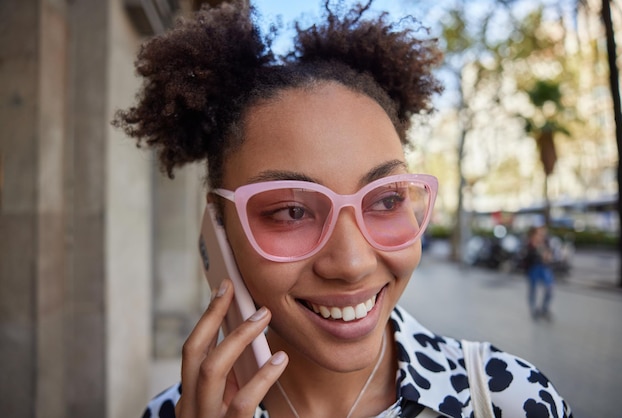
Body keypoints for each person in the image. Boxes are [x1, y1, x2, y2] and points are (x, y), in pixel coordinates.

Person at [115, 1, 573, 417]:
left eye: (386, 199)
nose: (352, 264)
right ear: (217, 226)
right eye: (291, 211)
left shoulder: (509, 399)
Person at [524, 225, 555, 320]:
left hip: (544, 268)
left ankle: (544, 308)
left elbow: (549, 256)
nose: (541, 235)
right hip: (533, 268)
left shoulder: (546, 243)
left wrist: (547, 257)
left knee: (549, 288)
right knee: (533, 290)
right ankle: (533, 309)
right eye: (539, 233)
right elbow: (527, 257)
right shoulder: (529, 244)